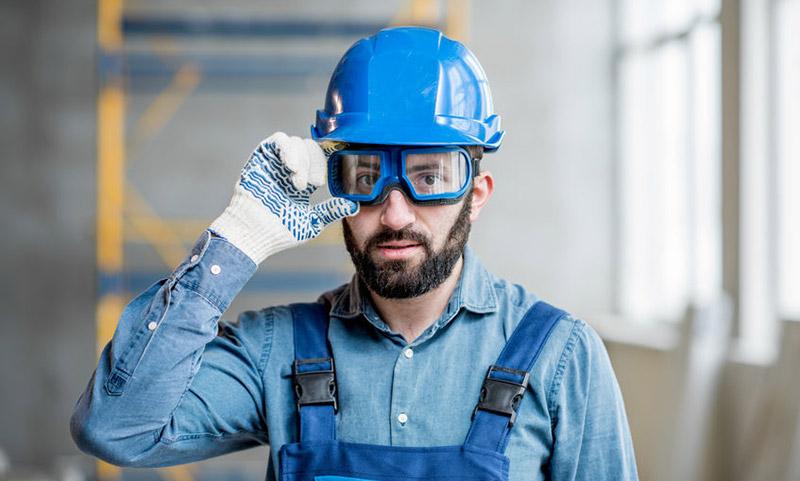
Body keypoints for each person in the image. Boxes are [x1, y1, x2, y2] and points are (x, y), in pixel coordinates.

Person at [71, 26, 638, 481]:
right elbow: (114, 428)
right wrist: (236, 240)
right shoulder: (278, 351)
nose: (394, 214)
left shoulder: (562, 358)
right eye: (365, 176)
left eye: (429, 176)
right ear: (335, 188)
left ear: (476, 194)